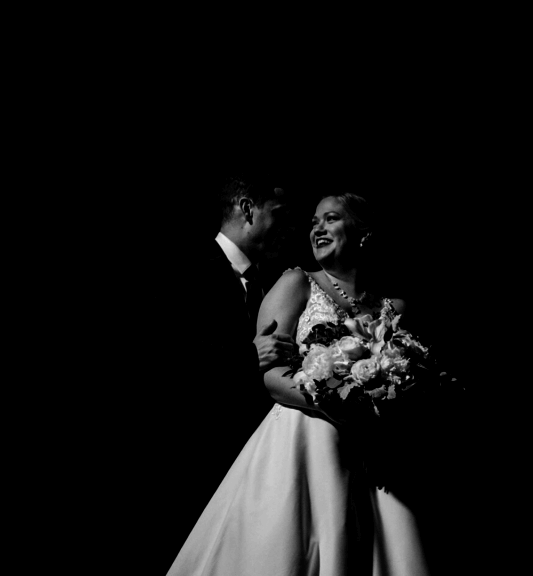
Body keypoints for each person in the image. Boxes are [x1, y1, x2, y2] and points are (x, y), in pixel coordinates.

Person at [167, 193, 430, 575]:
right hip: (306, 438)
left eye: (331, 219)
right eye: (313, 222)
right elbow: (271, 375)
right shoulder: (296, 282)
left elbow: (411, 377)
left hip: (374, 452)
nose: (317, 228)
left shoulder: (395, 308)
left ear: (362, 234)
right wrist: (339, 405)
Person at [161, 177, 299, 560]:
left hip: (254, 460)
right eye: (281, 215)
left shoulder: (273, 282)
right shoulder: (182, 269)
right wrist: (246, 359)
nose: (288, 227)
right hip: (195, 459)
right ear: (247, 209)